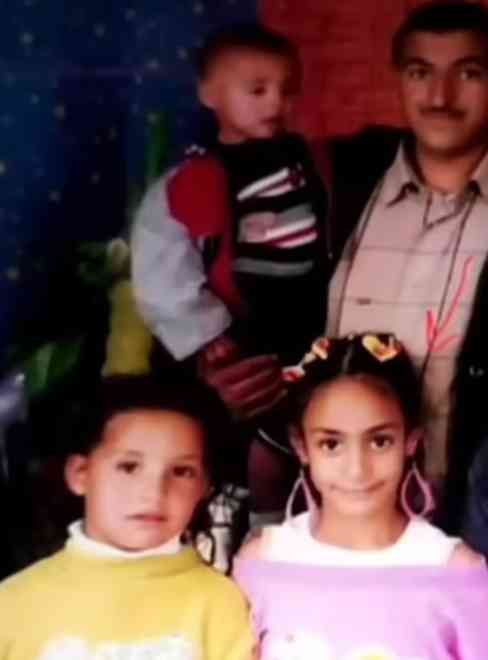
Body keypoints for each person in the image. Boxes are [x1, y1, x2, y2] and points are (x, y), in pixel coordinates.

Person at [132, 23, 329, 527]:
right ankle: (246, 527)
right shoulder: (193, 180)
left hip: (305, 325)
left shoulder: (308, 162)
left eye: (287, 90)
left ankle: (295, 528)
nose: (276, 103)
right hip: (239, 330)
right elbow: (162, 269)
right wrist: (204, 333)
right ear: (209, 94)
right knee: (248, 443)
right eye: (257, 90)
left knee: (299, 436)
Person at [324, 1, 488, 532]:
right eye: (421, 73)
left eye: (468, 73)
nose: (440, 98)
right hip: (330, 513)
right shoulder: (338, 181)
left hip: (470, 519)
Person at [234, 333, 486, 660]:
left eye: (379, 441)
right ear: (301, 446)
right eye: (331, 444)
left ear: (411, 441)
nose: (357, 470)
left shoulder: (455, 572)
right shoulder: (261, 564)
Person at [0, 376, 254, 659]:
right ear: (80, 474)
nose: (154, 492)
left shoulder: (221, 603)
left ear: (205, 487)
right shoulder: (12, 603)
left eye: (182, 471)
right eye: (129, 467)